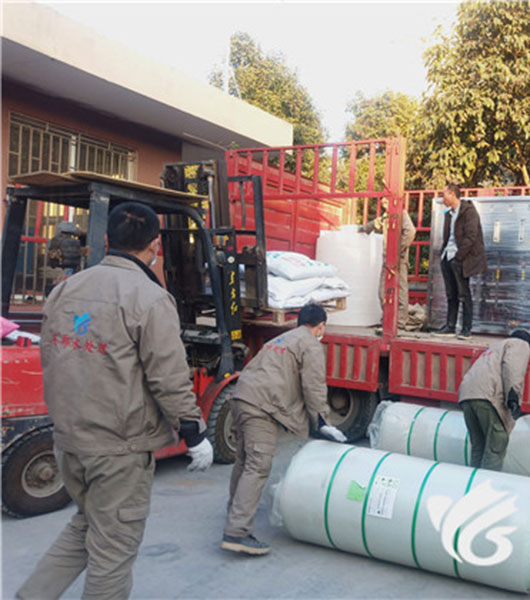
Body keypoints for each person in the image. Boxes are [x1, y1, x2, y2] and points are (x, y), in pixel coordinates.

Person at [17, 202, 213, 600]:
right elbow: (168, 376)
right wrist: (193, 432)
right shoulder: (150, 298)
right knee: (114, 548)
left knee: (87, 525)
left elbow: (50, 356)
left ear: (107, 240)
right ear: (155, 245)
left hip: (69, 441)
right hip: (118, 450)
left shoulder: (65, 289)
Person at [222, 304, 346, 556]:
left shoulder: (282, 339)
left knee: (244, 460)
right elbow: (313, 385)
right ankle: (237, 532)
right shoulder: (310, 344)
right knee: (258, 465)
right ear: (321, 326)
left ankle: (235, 513)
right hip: (262, 406)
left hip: (241, 397)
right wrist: (322, 422)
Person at [457, 329, 530, 470]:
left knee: (479, 446)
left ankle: (472, 480)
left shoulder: (494, 348)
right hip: (487, 396)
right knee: (496, 445)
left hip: (467, 395)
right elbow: (513, 368)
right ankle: (487, 483)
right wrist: (513, 397)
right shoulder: (519, 344)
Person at [433, 183, 487, 339]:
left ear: (452, 194)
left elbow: (471, 237)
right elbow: (448, 237)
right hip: (447, 256)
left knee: (464, 293)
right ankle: (450, 326)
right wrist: (444, 255)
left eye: (444, 194)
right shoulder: (449, 214)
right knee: (451, 293)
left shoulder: (469, 212)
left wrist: (459, 257)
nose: (442, 198)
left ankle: (466, 329)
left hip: (460, 258)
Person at [359, 197, 417, 329]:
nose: (384, 205)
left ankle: (400, 322)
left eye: (386, 202)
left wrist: (397, 250)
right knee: (382, 291)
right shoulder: (387, 215)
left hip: (399, 259)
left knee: (400, 291)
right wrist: (361, 229)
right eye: (383, 203)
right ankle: (387, 319)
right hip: (387, 259)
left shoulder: (402, 214)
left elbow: (411, 232)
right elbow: (376, 223)